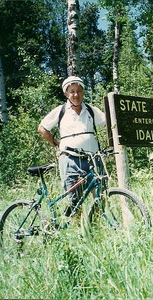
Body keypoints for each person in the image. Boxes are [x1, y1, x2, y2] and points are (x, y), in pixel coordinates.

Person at [38, 76, 106, 216]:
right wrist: (56, 143)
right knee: (74, 200)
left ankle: (94, 225)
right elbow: (42, 128)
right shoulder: (60, 111)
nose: (76, 95)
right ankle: (79, 233)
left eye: (79, 91)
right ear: (66, 94)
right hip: (71, 160)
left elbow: (111, 120)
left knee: (101, 195)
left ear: (83, 92)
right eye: (72, 91)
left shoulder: (91, 110)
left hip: (93, 159)